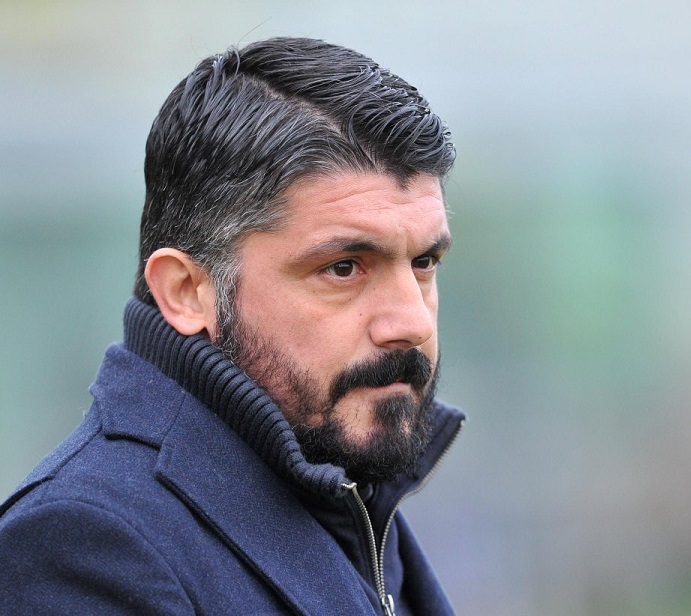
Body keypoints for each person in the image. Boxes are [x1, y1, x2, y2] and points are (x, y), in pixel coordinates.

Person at [0, 37, 464, 616]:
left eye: (423, 262)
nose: (412, 322)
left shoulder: (348, 492)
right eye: (343, 268)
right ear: (187, 291)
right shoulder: (85, 547)